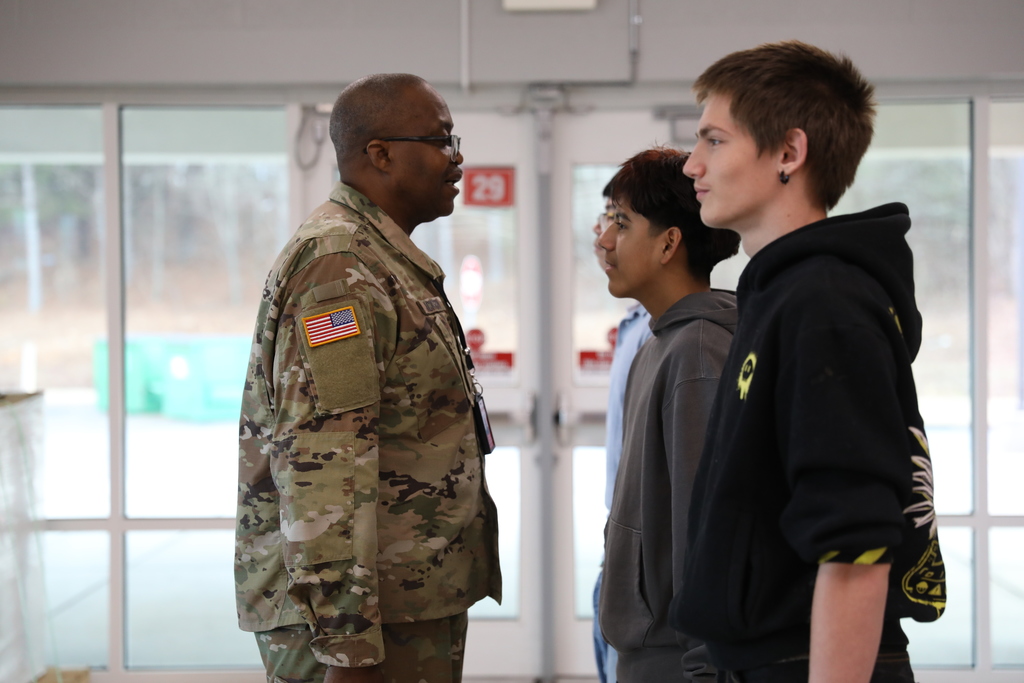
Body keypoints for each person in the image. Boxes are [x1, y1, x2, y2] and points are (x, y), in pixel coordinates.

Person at [668, 41, 946, 683]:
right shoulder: (782, 292)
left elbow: (856, 544)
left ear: (789, 154)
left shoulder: (824, 301)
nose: (691, 165)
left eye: (713, 141)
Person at [235, 73, 501, 683]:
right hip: (363, 628)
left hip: (401, 604)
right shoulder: (342, 265)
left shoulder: (380, 256)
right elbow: (324, 465)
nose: (457, 160)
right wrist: (346, 649)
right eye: (441, 141)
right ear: (379, 154)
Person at [597, 147, 740, 682]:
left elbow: (700, 533)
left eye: (621, 223)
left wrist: (703, 665)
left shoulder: (697, 352)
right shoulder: (660, 341)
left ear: (669, 243)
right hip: (649, 650)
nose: (605, 240)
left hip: (679, 661)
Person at [591, 181, 652, 683]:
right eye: (604, 218)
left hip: (647, 568)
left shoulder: (673, 337)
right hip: (621, 549)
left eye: (619, 221)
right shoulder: (636, 323)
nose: (602, 235)